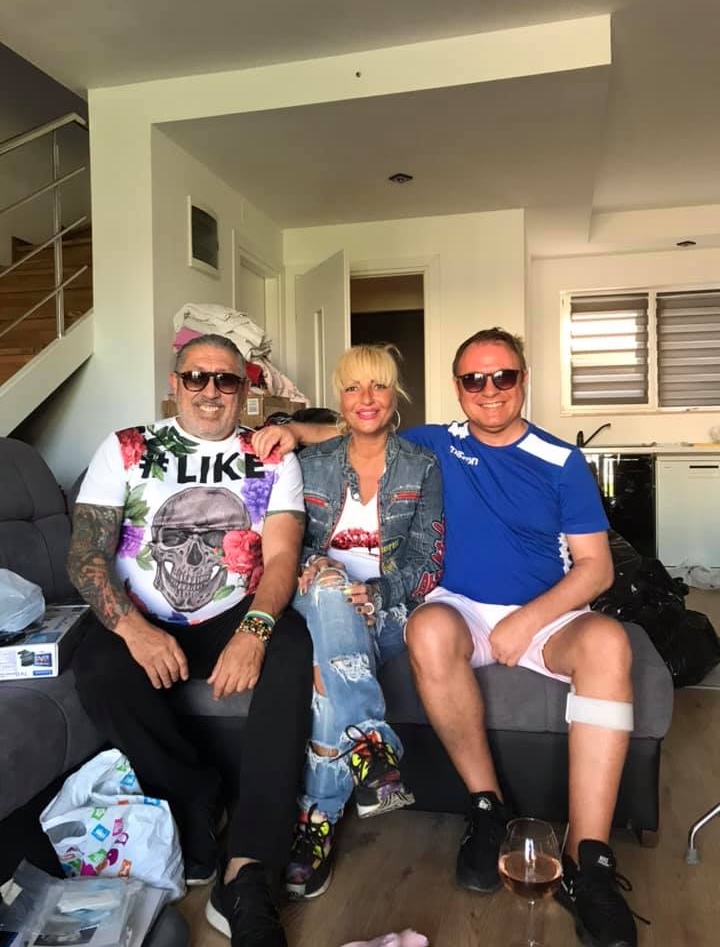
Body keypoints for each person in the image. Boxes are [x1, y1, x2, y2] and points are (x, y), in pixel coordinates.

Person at [253, 328, 639, 947]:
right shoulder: (436, 444)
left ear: (523, 379)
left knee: (610, 644)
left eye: (503, 376)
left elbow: (597, 568)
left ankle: (587, 861)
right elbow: (359, 430)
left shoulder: (561, 461)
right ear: (458, 388)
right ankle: (486, 809)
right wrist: (294, 431)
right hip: (458, 608)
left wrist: (527, 620)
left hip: (542, 612)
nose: (489, 390)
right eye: (474, 379)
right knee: (428, 628)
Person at [68, 334, 312, 947]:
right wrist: (134, 629)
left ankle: (249, 870)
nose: (210, 391)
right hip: (142, 614)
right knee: (96, 665)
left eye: (225, 380)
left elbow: (283, 557)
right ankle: (195, 796)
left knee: (290, 648)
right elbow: (85, 554)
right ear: (175, 383)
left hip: (233, 611)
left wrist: (255, 631)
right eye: (196, 377)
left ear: (244, 389)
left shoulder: (271, 458)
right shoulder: (126, 449)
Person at [285, 344, 444, 901]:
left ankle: (315, 823)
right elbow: (286, 543)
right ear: (340, 397)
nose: (366, 398)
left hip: (392, 609)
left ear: (395, 393)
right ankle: (372, 745)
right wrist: (317, 563)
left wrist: (379, 592)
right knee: (331, 593)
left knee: (328, 676)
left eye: (378, 385)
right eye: (353, 387)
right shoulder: (310, 465)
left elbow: (429, 560)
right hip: (319, 599)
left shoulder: (421, 466)